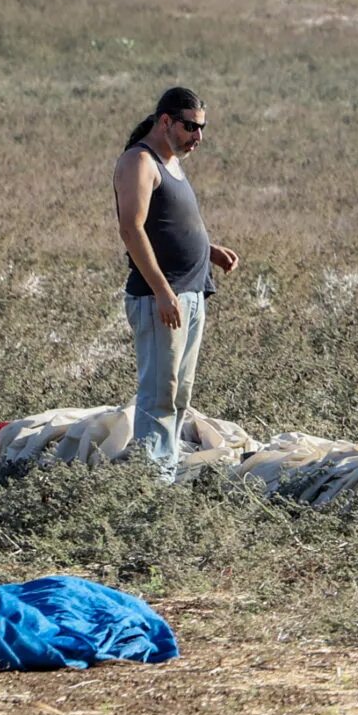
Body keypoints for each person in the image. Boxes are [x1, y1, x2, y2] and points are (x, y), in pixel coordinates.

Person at [112, 87, 237, 479]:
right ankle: (151, 484)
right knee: (158, 397)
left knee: (179, 396)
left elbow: (165, 223)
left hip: (191, 293)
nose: (197, 137)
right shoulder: (140, 161)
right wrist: (164, 292)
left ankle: (165, 472)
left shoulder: (171, 161)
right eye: (190, 127)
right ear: (164, 121)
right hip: (160, 299)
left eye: (201, 128)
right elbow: (131, 229)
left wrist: (208, 249)